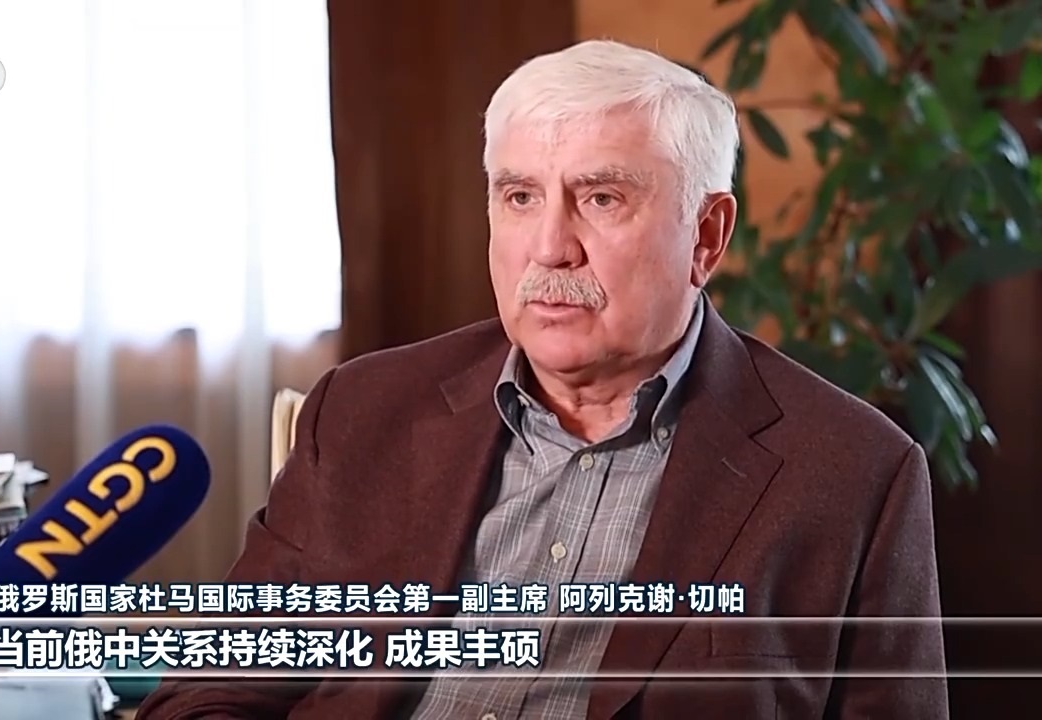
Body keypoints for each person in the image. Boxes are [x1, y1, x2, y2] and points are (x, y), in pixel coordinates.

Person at [139, 39, 948, 719]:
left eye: (602, 198)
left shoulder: (851, 472)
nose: (551, 247)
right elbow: (209, 693)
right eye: (521, 197)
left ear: (706, 234)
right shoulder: (361, 411)